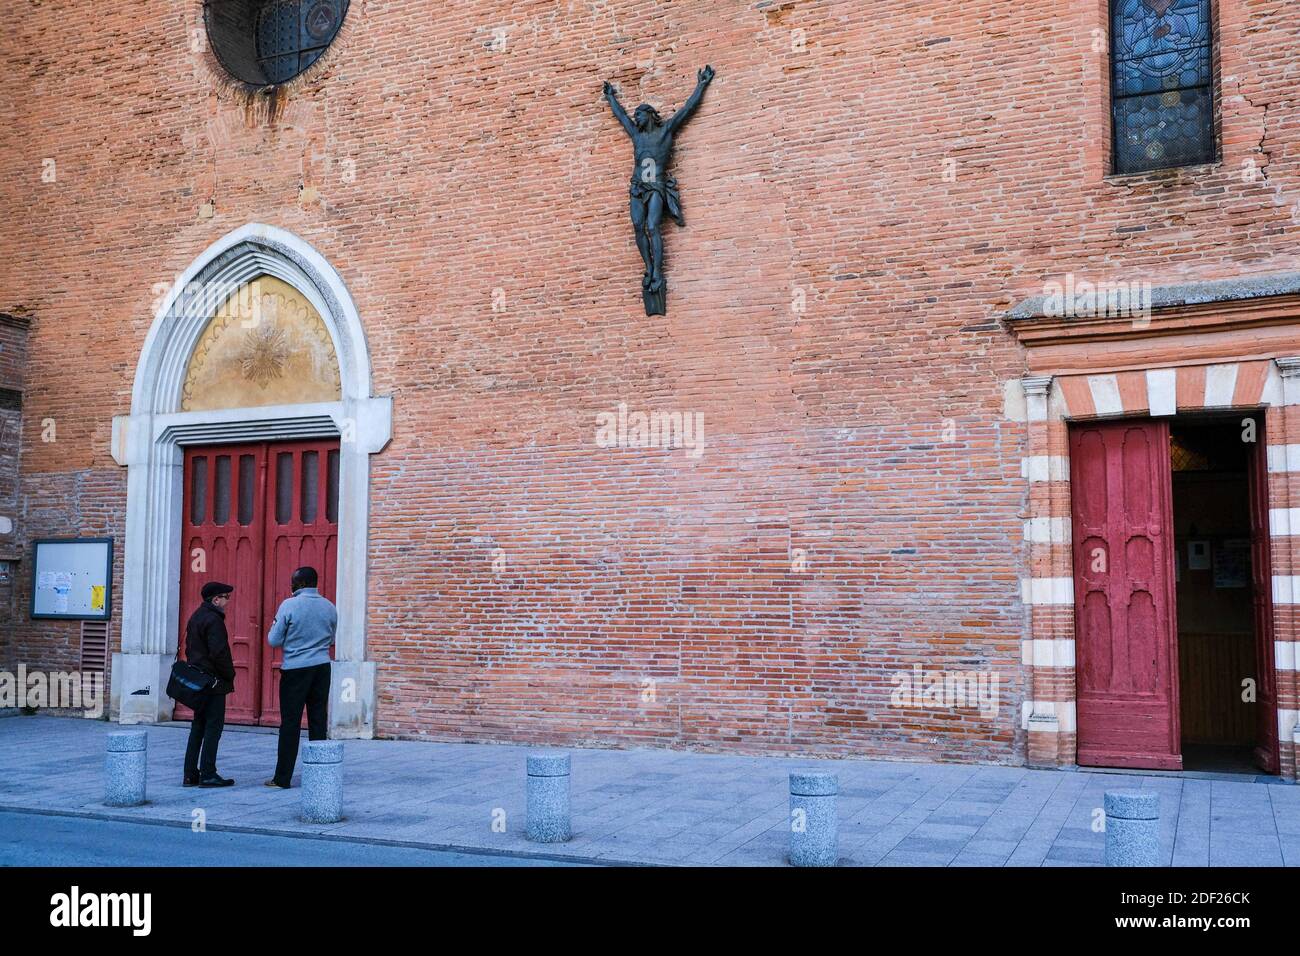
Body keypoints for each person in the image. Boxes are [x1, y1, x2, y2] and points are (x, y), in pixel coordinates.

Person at [264, 566, 337, 788]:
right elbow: (332, 638)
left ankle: (282, 777)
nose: (291, 586)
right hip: (322, 667)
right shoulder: (329, 606)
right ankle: (319, 775)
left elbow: (273, 640)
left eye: (293, 582)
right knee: (318, 721)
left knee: (290, 723)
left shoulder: (289, 605)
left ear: (301, 583)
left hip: (295, 669)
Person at [183, 581, 237, 788]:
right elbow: (219, 653)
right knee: (213, 727)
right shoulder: (214, 620)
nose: (227, 601)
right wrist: (229, 674)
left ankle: (190, 774)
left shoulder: (196, 616)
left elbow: (190, 650)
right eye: (226, 597)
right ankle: (208, 773)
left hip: (198, 680)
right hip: (213, 682)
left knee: (198, 726)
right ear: (216, 600)